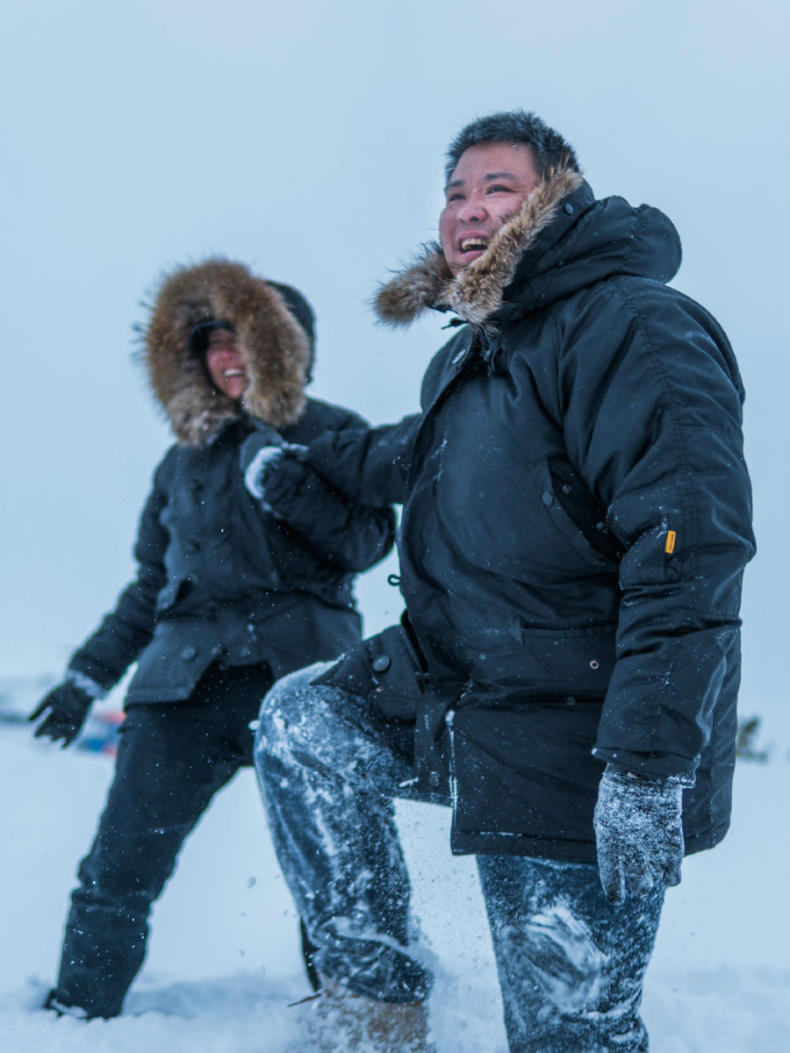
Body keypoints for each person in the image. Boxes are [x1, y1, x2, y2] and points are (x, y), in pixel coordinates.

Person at [251, 112, 756, 1052]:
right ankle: (378, 999)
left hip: (580, 726)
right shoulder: (475, 356)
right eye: (454, 193)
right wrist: (296, 456)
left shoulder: (632, 324)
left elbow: (691, 548)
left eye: (497, 188)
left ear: (555, 197)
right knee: (300, 723)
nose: (469, 210)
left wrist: (647, 766)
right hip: (458, 685)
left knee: (565, 1034)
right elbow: (400, 457)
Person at [29, 257, 395, 1020]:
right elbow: (146, 589)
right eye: (211, 342)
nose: (226, 355)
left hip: (303, 682)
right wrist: (85, 678)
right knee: (117, 866)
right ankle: (75, 1016)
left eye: (243, 338)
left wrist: (286, 485)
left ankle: (362, 1018)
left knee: (338, 870)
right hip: (180, 688)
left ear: (284, 347)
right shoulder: (178, 463)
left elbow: (368, 542)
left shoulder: (334, 432)